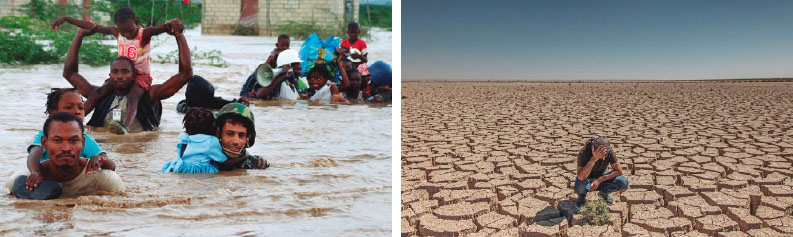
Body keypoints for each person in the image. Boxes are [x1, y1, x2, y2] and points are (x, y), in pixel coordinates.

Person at [52, 8, 184, 134]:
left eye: (124, 72)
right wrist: (69, 22)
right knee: (98, 92)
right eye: (115, 72)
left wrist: (175, 28)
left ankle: (125, 127)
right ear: (110, 75)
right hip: (106, 138)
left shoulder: (150, 96)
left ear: (136, 23)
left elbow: (164, 29)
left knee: (133, 98)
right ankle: (75, 121)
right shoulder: (104, 95)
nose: (127, 35)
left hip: (141, 78)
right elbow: (92, 27)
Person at [6, 112, 124, 200]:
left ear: (82, 143)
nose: (66, 148)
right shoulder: (24, 181)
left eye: (73, 140)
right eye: (58, 140)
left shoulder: (103, 180)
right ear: (44, 143)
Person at [24, 88, 107, 193]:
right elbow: (34, 153)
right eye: (69, 107)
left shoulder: (83, 139)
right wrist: (36, 172)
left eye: (81, 108)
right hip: (46, 180)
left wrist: (98, 159)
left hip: (73, 180)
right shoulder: (46, 136)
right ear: (54, 113)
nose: (77, 112)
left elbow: (107, 162)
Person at [162, 108, 227, 173]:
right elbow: (222, 161)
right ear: (212, 128)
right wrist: (236, 161)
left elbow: (182, 155)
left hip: (179, 166)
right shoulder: (211, 141)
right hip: (197, 169)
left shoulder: (185, 137)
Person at [574, 136, 629, 209]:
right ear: (593, 149)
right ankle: (581, 197)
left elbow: (619, 171)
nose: (603, 158)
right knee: (581, 184)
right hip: (586, 179)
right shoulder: (584, 152)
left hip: (601, 178)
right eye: (601, 155)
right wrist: (593, 159)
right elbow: (581, 176)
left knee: (623, 182)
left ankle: (604, 193)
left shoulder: (609, 151)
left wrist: (599, 180)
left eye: (605, 155)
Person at [214, 103, 268, 170]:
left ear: (247, 138)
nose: (236, 141)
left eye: (241, 135)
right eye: (230, 134)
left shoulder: (257, 165)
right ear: (219, 134)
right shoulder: (204, 163)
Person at [176, 75, 249, 113]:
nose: (212, 97)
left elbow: (217, 101)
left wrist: (235, 104)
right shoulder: (183, 108)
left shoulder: (195, 100)